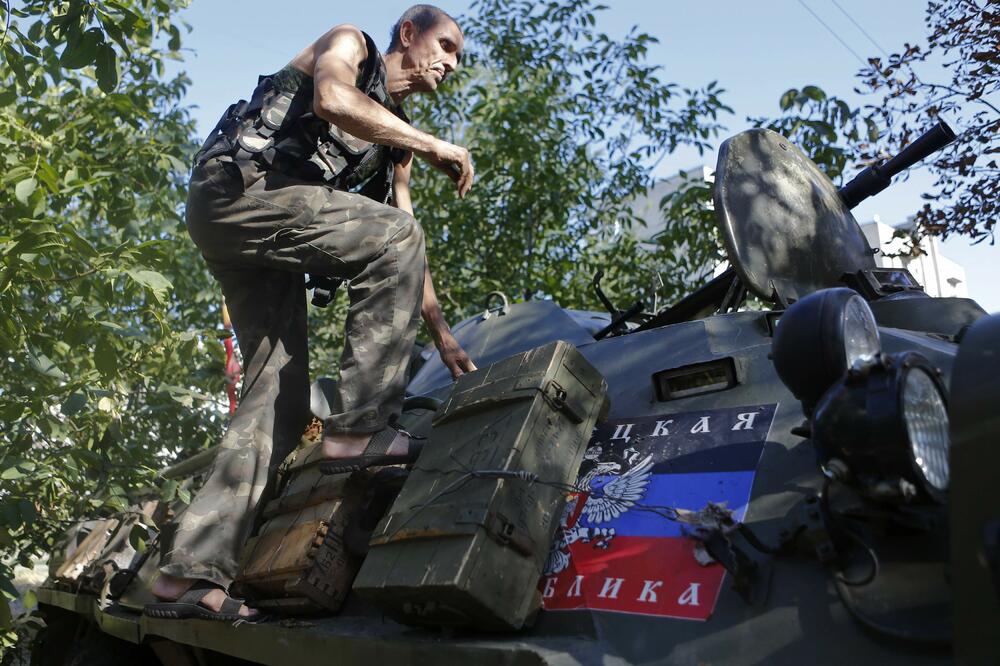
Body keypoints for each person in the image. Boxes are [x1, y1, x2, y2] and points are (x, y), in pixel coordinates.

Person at [145, 5, 476, 621]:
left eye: (459, 56)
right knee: (394, 242)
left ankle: (187, 578)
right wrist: (431, 144)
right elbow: (331, 99)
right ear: (408, 33)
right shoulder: (351, 45)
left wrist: (442, 332)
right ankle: (358, 430)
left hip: (259, 243)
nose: (451, 63)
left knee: (280, 402)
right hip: (237, 192)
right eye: (447, 45)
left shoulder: (392, 140)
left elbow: (404, 230)